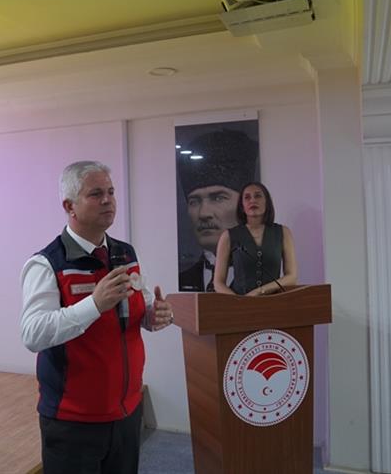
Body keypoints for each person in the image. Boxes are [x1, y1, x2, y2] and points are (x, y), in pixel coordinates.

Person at [20, 160, 174, 474]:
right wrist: (94, 304)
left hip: (127, 412)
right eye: (96, 194)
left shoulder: (126, 254)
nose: (108, 200)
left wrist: (154, 315)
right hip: (73, 423)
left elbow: (138, 309)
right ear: (69, 206)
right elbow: (33, 334)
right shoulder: (46, 263)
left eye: (111, 192)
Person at [177, 129, 258, 292]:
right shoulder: (183, 279)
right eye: (194, 201)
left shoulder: (261, 278)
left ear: (243, 205)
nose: (204, 213)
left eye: (218, 198)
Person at [213, 182, 298, 296]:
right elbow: (218, 283)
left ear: (267, 202)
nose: (252, 200)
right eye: (247, 197)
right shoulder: (228, 236)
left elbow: (292, 277)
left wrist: (260, 291)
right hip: (239, 303)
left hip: (274, 301)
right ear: (242, 206)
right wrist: (239, 302)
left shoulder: (283, 232)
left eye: (258, 196)